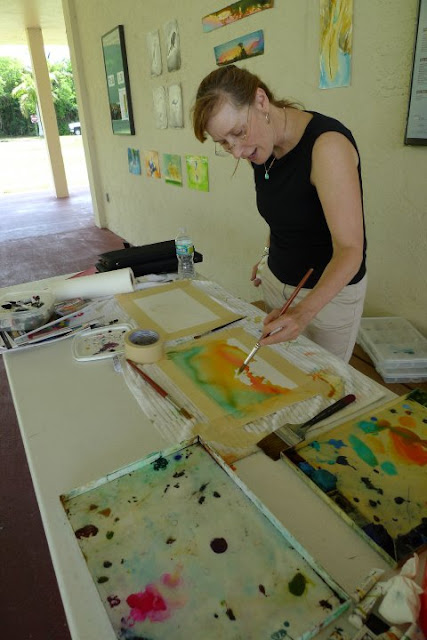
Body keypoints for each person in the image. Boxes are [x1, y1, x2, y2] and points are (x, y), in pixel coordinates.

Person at [192, 65, 367, 362]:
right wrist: (266, 255)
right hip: (276, 284)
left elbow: (351, 250)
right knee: (282, 374)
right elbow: (283, 213)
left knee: (324, 383)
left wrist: (303, 313)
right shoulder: (261, 147)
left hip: (326, 300)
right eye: (224, 143)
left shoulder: (327, 147)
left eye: (238, 133)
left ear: (261, 101)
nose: (237, 152)